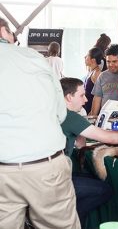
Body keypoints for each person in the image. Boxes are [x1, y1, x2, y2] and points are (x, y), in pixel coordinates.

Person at [0, 17, 80, 228]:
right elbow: (60, 114)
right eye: (11, 33)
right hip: (43, 165)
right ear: (3, 32)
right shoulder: (31, 57)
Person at [60, 77, 118, 226]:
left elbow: (81, 145)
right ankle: (74, 220)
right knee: (105, 190)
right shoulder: (69, 116)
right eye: (81, 95)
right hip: (57, 180)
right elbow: (110, 138)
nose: (86, 100)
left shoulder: (53, 112)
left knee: (87, 176)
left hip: (44, 175)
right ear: (69, 97)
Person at [90, 44, 118, 116]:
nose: (110, 65)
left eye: (114, 61)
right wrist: (93, 117)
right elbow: (97, 98)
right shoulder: (102, 76)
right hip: (105, 118)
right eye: (108, 61)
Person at [83, 47, 103, 114]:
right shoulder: (91, 71)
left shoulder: (97, 73)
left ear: (93, 60)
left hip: (91, 111)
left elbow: (99, 96)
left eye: (87, 56)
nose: (84, 57)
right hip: (86, 108)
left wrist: (92, 113)